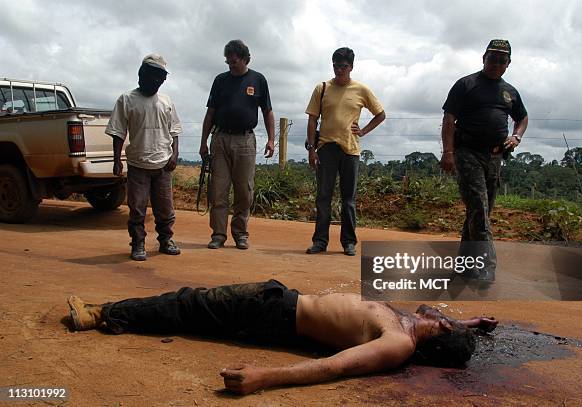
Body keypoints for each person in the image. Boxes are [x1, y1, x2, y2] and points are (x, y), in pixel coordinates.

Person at [67, 279, 498, 395]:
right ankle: (110, 313)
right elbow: (439, 319)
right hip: (280, 300)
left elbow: (334, 367)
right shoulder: (407, 321)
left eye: (449, 319)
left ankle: (101, 314)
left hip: (273, 314)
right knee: (193, 307)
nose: (443, 313)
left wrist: (265, 376)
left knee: (189, 305)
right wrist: (475, 324)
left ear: (442, 328)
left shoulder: (399, 342)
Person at [440, 39, 528, 281]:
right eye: (492, 58)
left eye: (502, 59)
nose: (496, 63)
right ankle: (487, 265)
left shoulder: (510, 92)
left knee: (481, 212)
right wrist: (448, 153)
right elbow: (449, 120)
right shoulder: (466, 84)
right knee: (478, 206)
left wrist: (516, 137)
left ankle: (464, 264)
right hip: (467, 153)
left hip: (495, 156)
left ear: (508, 64)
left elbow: (522, 117)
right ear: (483, 58)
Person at [305, 47, 386, 256]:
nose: (339, 70)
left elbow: (380, 114)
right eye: (336, 66)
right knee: (323, 197)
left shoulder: (361, 89)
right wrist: (312, 149)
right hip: (325, 149)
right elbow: (312, 118)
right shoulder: (322, 88)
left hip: (350, 150)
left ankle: (349, 242)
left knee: (348, 199)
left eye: (343, 66)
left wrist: (364, 131)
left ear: (351, 67)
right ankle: (320, 241)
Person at [199, 40, 275, 251]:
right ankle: (218, 235)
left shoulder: (258, 80)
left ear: (244, 59)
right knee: (218, 190)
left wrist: (271, 139)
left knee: (244, 190)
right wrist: (203, 141)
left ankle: (240, 234)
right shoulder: (220, 80)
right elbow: (210, 113)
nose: (230, 66)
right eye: (228, 62)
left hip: (245, 141)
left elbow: (268, 111)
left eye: (234, 62)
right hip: (220, 139)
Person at [106, 54, 182, 261]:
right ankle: (138, 243)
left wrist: (174, 155)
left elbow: (174, 131)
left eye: (162, 78)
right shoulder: (127, 99)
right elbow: (118, 132)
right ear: (142, 75)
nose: (158, 82)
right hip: (138, 165)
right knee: (137, 209)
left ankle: (166, 240)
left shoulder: (166, 101)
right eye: (154, 76)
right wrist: (116, 161)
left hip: (163, 165)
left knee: (165, 208)